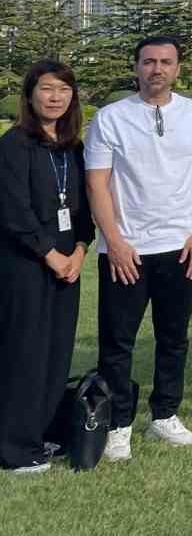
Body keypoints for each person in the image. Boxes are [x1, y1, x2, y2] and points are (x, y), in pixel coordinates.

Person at [86, 36, 192, 460]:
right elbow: (97, 184)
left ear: (177, 69)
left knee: (174, 337)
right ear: (136, 67)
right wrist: (115, 241)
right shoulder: (110, 118)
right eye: (148, 62)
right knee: (118, 342)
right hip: (126, 251)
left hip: (179, 246)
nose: (156, 69)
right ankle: (118, 423)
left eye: (165, 62)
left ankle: (164, 413)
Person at [0, 61, 93, 475]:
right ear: (31, 95)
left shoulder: (73, 146)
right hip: (25, 263)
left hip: (66, 262)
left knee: (57, 350)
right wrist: (49, 254)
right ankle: (14, 448)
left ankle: (40, 433)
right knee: (25, 353)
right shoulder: (15, 144)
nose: (55, 97)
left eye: (63, 90)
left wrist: (79, 249)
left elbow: (84, 206)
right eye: (46, 89)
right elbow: (13, 210)